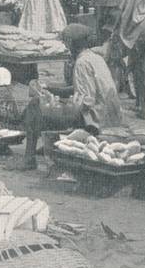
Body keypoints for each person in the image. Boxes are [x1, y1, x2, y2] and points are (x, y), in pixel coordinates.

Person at [15, 24, 122, 171]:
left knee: (35, 106)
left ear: (72, 43)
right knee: (47, 105)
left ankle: (29, 159)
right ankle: (50, 144)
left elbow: (86, 101)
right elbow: (82, 89)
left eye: (66, 42)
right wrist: (52, 89)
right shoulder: (95, 58)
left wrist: (57, 106)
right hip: (109, 114)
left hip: (94, 120)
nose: (65, 46)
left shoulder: (81, 63)